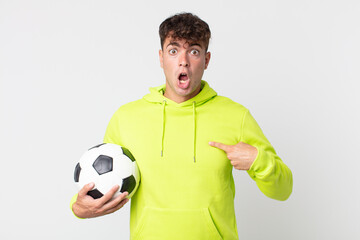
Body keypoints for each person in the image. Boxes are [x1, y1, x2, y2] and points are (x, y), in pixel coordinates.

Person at [70, 12, 293, 240]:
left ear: (206, 60)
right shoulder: (126, 118)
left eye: (194, 51)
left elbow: (283, 190)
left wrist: (258, 160)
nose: (183, 60)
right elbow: (99, 181)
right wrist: (78, 208)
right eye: (174, 50)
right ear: (161, 58)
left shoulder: (236, 116)